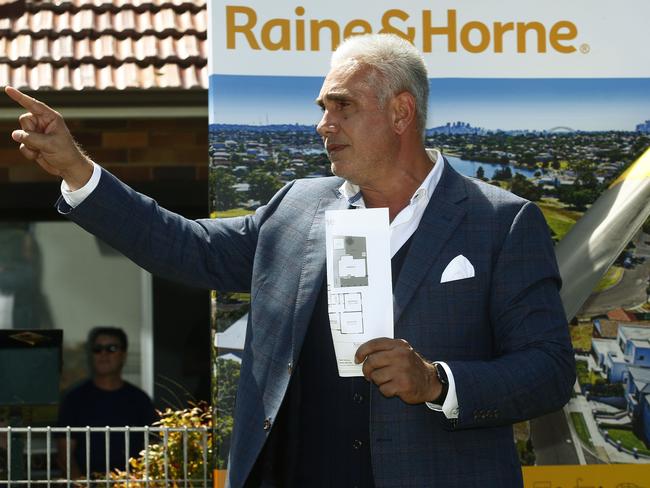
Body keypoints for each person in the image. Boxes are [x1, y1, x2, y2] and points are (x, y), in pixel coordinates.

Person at [6, 33, 575, 487]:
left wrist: (436, 381)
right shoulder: (298, 207)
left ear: (402, 113)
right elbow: (184, 245)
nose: (323, 125)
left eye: (342, 107)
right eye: (322, 107)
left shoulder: (503, 222)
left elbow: (548, 371)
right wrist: (79, 171)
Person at [56, 327, 156, 478]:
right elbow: (65, 455)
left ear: (124, 355)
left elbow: (153, 450)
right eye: (97, 349)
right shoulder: (74, 399)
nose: (104, 354)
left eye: (112, 348)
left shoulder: (140, 400)